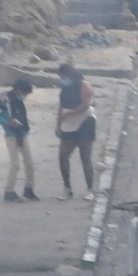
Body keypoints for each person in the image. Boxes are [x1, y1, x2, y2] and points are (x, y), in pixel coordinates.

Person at [56, 62, 96, 194]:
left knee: (85, 157)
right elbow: (61, 106)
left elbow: (86, 104)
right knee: (63, 156)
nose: (63, 81)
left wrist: (70, 113)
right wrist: (58, 124)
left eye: (64, 78)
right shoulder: (65, 87)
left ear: (70, 75)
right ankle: (67, 187)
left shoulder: (85, 86)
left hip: (85, 121)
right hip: (68, 122)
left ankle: (89, 189)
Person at [0, 75, 37, 202]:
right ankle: (9, 190)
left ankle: (29, 188)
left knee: (29, 163)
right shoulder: (5, 98)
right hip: (11, 135)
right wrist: (7, 122)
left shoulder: (19, 100)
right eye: (24, 93)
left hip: (22, 133)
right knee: (15, 164)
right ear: (18, 89)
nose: (24, 96)